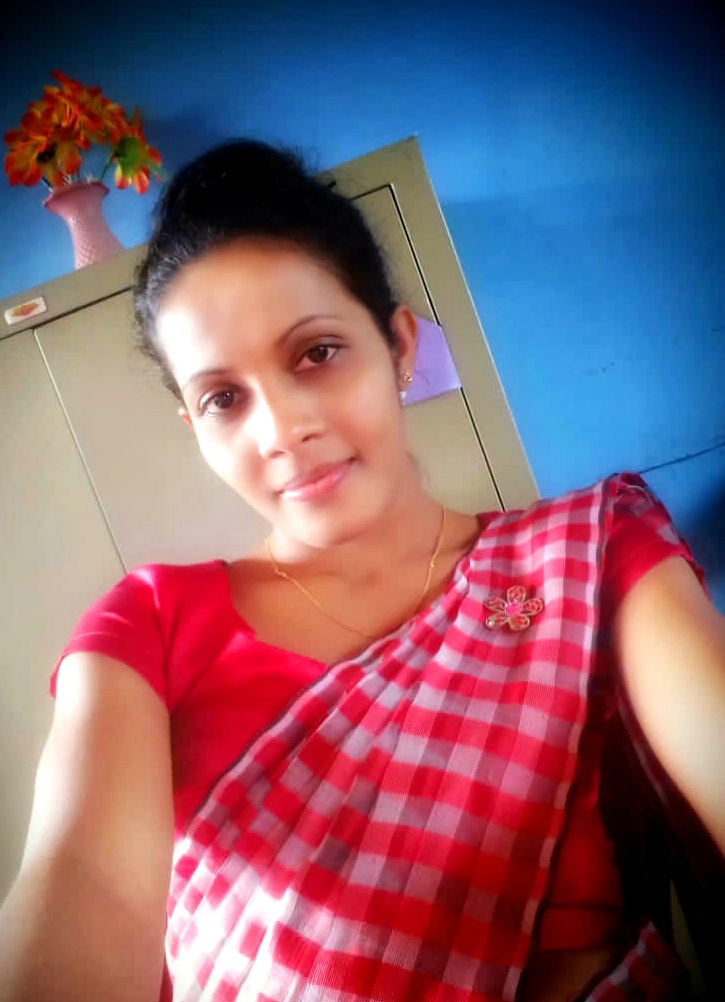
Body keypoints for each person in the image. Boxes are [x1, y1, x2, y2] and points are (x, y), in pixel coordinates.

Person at [0, 139, 723, 1002]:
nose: (282, 429)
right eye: (223, 398)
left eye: (317, 352)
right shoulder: (148, 627)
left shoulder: (590, 555)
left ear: (399, 347)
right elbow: (90, 886)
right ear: (194, 427)